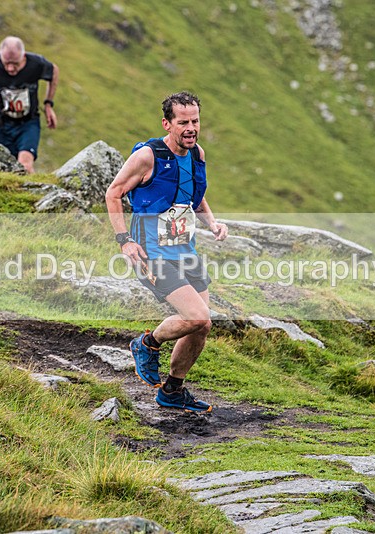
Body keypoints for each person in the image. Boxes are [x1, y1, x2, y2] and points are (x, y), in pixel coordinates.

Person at [104, 91, 228, 413]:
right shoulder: (148, 156)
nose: (191, 128)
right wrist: (124, 240)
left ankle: (172, 390)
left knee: (203, 325)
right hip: (152, 254)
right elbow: (114, 193)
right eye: (183, 122)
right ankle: (147, 344)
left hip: (185, 250)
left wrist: (212, 223)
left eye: (195, 121)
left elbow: (194, 196)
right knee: (196, 316)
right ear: (167, 123)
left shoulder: (196, 154)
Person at [0, 36, 59, 174]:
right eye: (6, 63)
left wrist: (48, 104)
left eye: (15, 63)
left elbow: (54, 71)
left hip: (28, 122)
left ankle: (33, 194)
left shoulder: (36, 64)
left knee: (24, 165)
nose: (10, 68)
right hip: (1, 124)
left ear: (23, 56)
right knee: (4, 170)